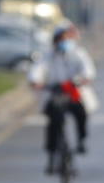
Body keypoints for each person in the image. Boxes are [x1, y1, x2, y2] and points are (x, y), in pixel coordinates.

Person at [29, 26, 96, 173]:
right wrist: (36, 81)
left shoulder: (78, 54)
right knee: (54, 121)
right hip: (54, 93)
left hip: (73, 92)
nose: (64, 42)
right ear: (55, 41)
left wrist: (83, 79)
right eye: (61, 39)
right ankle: (52, 154)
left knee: (81, 113)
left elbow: (88, 70)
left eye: (66, 39)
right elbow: (38, 70)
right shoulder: (48, 55)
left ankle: (81, 140)